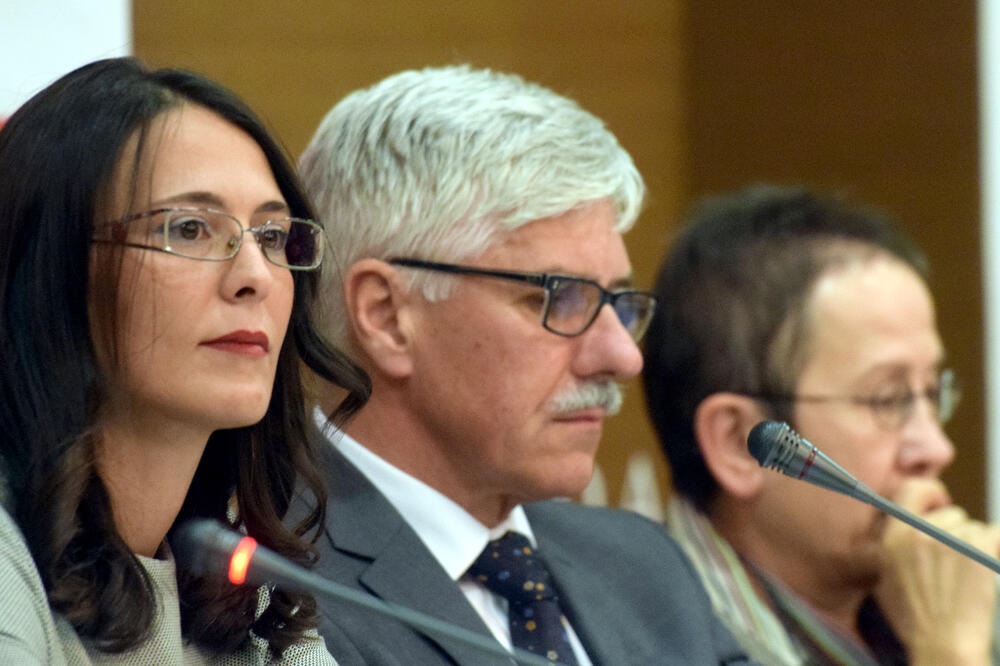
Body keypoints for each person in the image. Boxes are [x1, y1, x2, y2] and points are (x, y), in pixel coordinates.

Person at [296, 65, 752, 666]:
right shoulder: (277, 601)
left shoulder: (643, 567)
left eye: (617, 302)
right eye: (558, 298)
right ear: (386, 316)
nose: (623, 357)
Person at [0, 57, 368, 664]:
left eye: (272, 237)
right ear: (55, 266)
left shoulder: (238, 584)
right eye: (190, 228)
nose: (256, 276)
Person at [643, 183, 1000, 665]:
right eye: (888, 399)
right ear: (740, 443)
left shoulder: (960, 603)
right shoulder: (649, 642)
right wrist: (949, 654)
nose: (937, 449)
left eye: (933, 394)